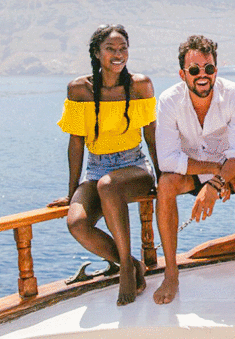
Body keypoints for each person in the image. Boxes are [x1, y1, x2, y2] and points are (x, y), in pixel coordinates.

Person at [48, 24, 159, 306]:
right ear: (97, 53)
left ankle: (125, 271)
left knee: (109, 186)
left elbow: (151, 135)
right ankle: (133, 265)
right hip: (96, 169)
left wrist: (161, 177)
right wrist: (72, 190)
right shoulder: (79, 89)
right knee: (77, 224)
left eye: (123, 49)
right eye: (110, 49)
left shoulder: (140, 85)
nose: (118, 54)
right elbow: (76, 144)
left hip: (134, 166)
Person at [152, 35, 235, 305]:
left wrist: (217, 182)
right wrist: (214, 172)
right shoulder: (168, 100)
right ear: (182, 74)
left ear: (216, 70)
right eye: (194, 70)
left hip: (228, 173)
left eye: (208, 69)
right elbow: (167, 160)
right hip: (194, 172)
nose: (203, 75)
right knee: (165, 184)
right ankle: (171, 271)